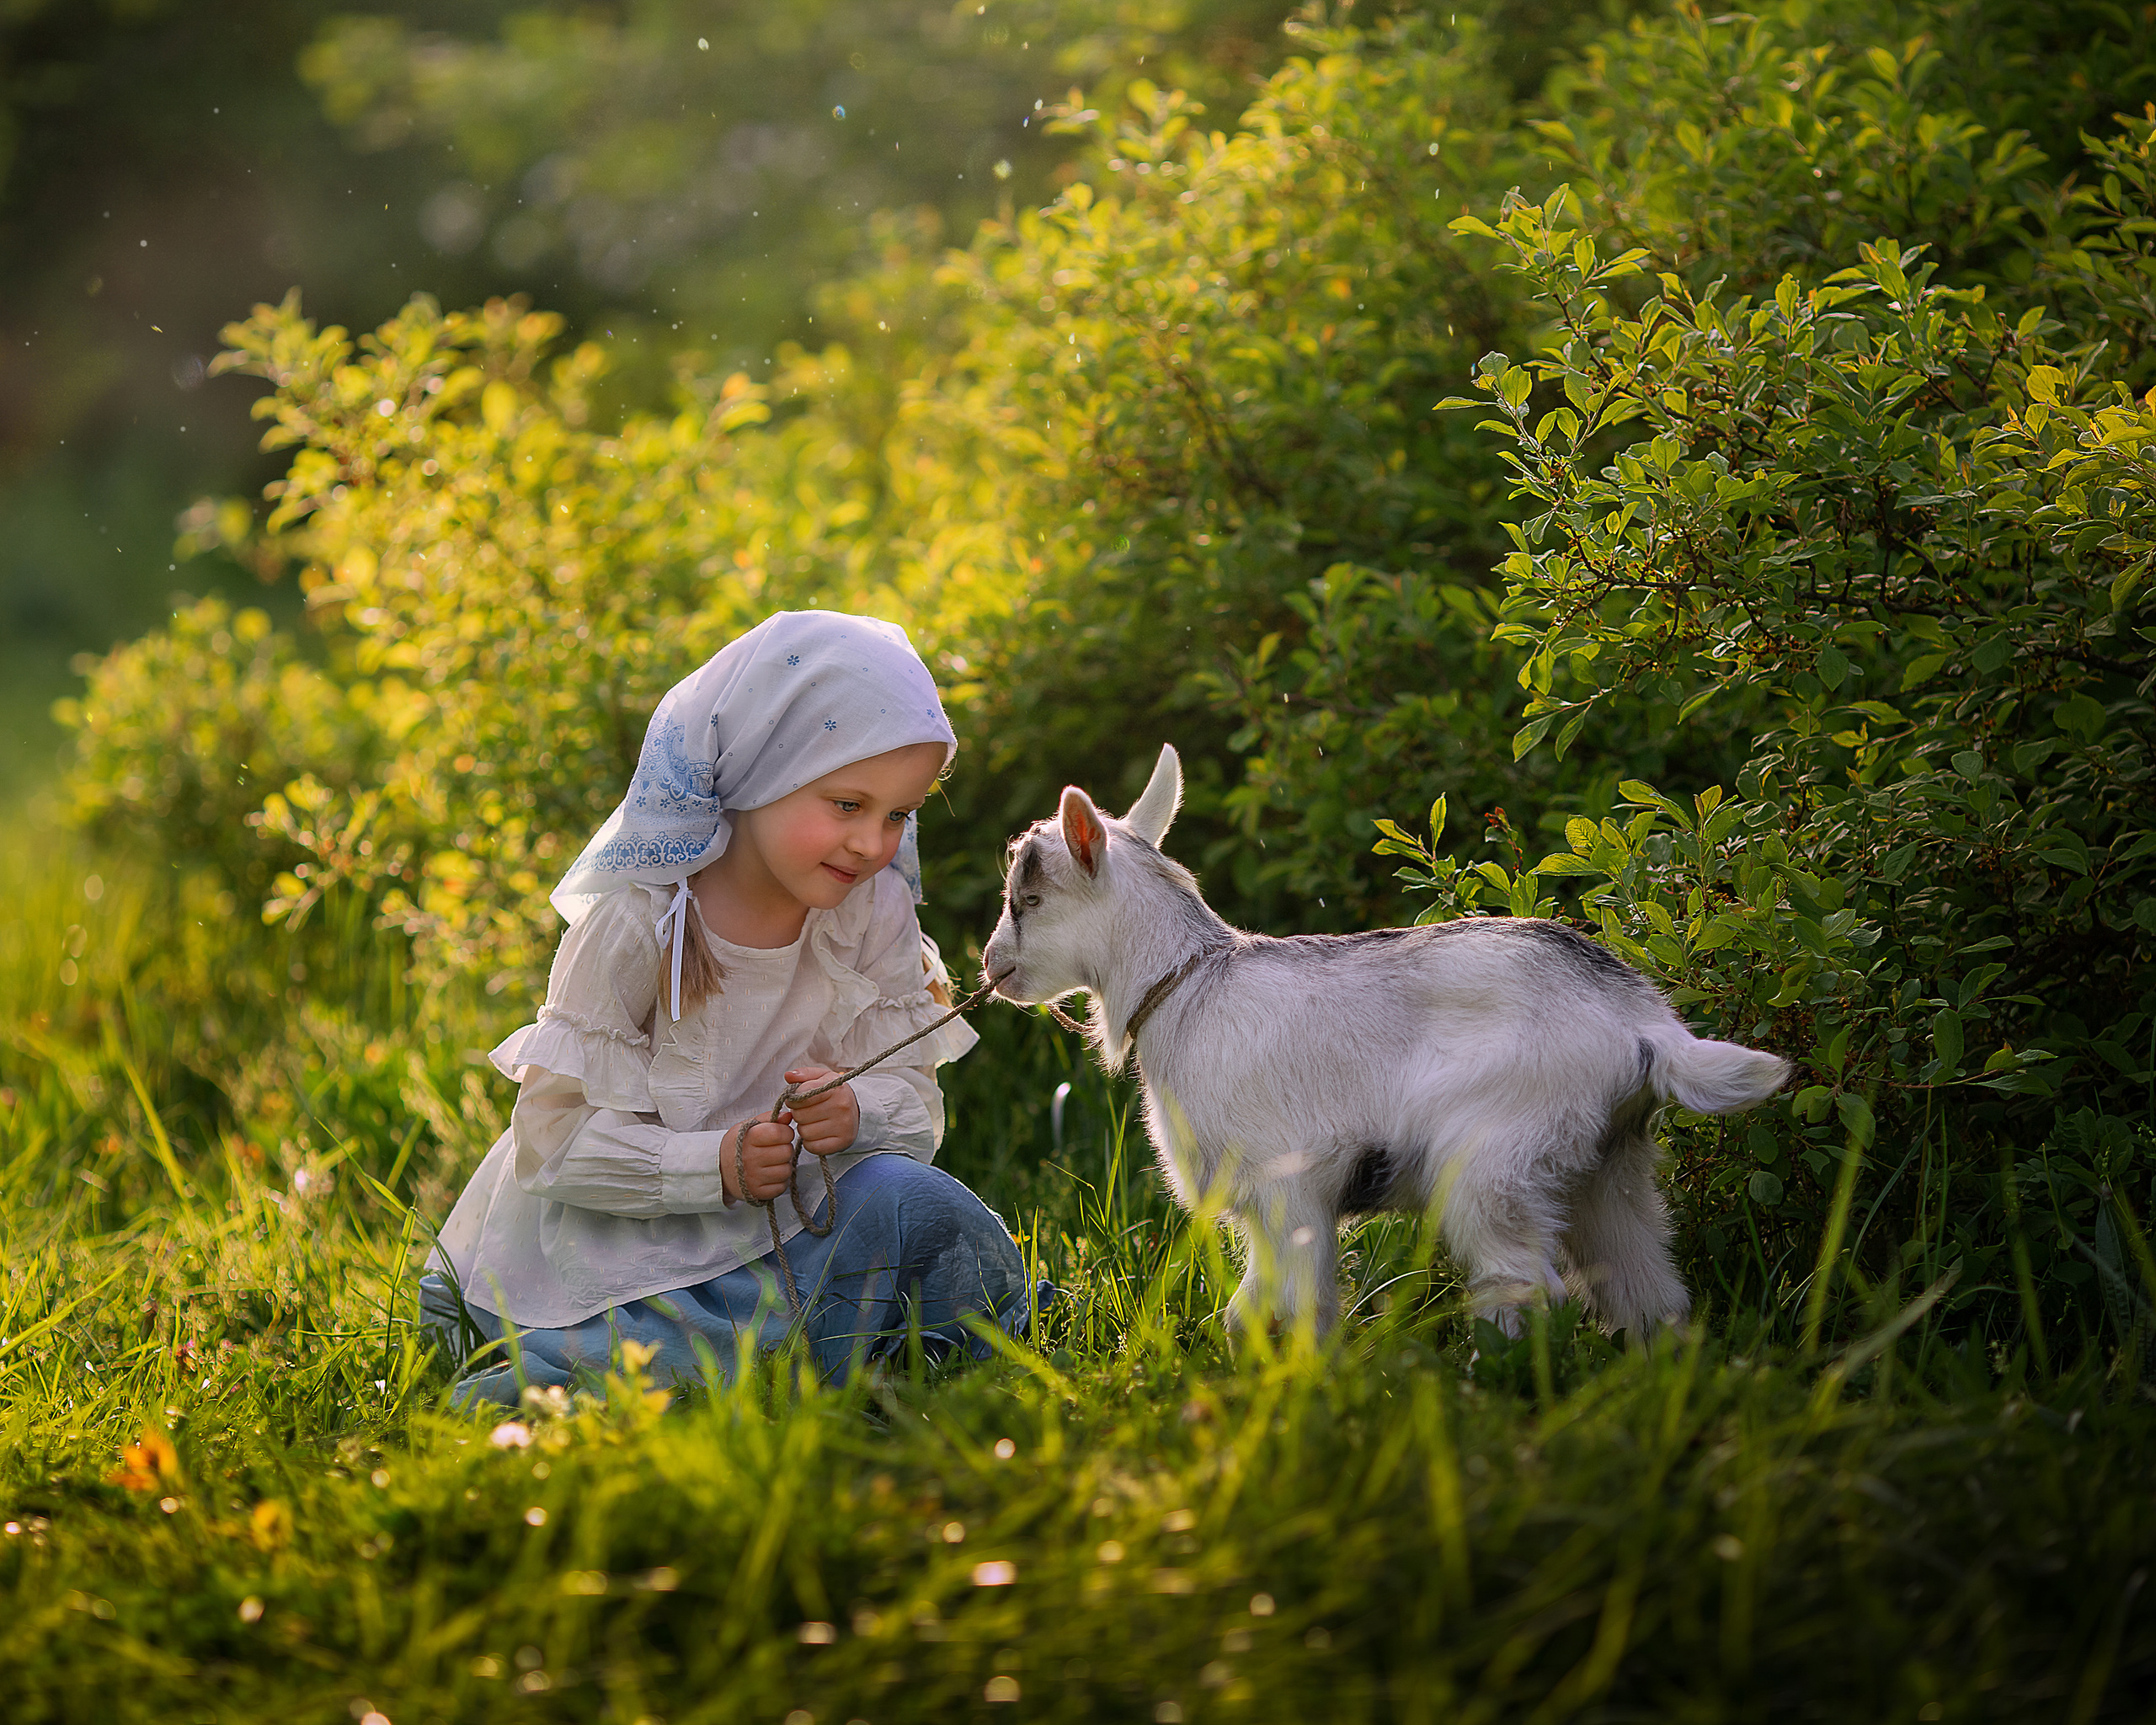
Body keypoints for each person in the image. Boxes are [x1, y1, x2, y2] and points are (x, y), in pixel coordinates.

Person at [419, 610, 1035, 1408]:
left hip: (798, 1226)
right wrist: (710, 1165)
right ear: (759, 773)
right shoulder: (644, 920)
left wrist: (858, 1111)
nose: (872, 845)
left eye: (898, 815)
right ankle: (639, 1358)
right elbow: (552, 1144)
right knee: (669, 1348)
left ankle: (802, 1343)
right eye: (847, 805)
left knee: (921, 1203)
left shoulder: (872, 909)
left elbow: (917, 1111)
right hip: (628, 1251)